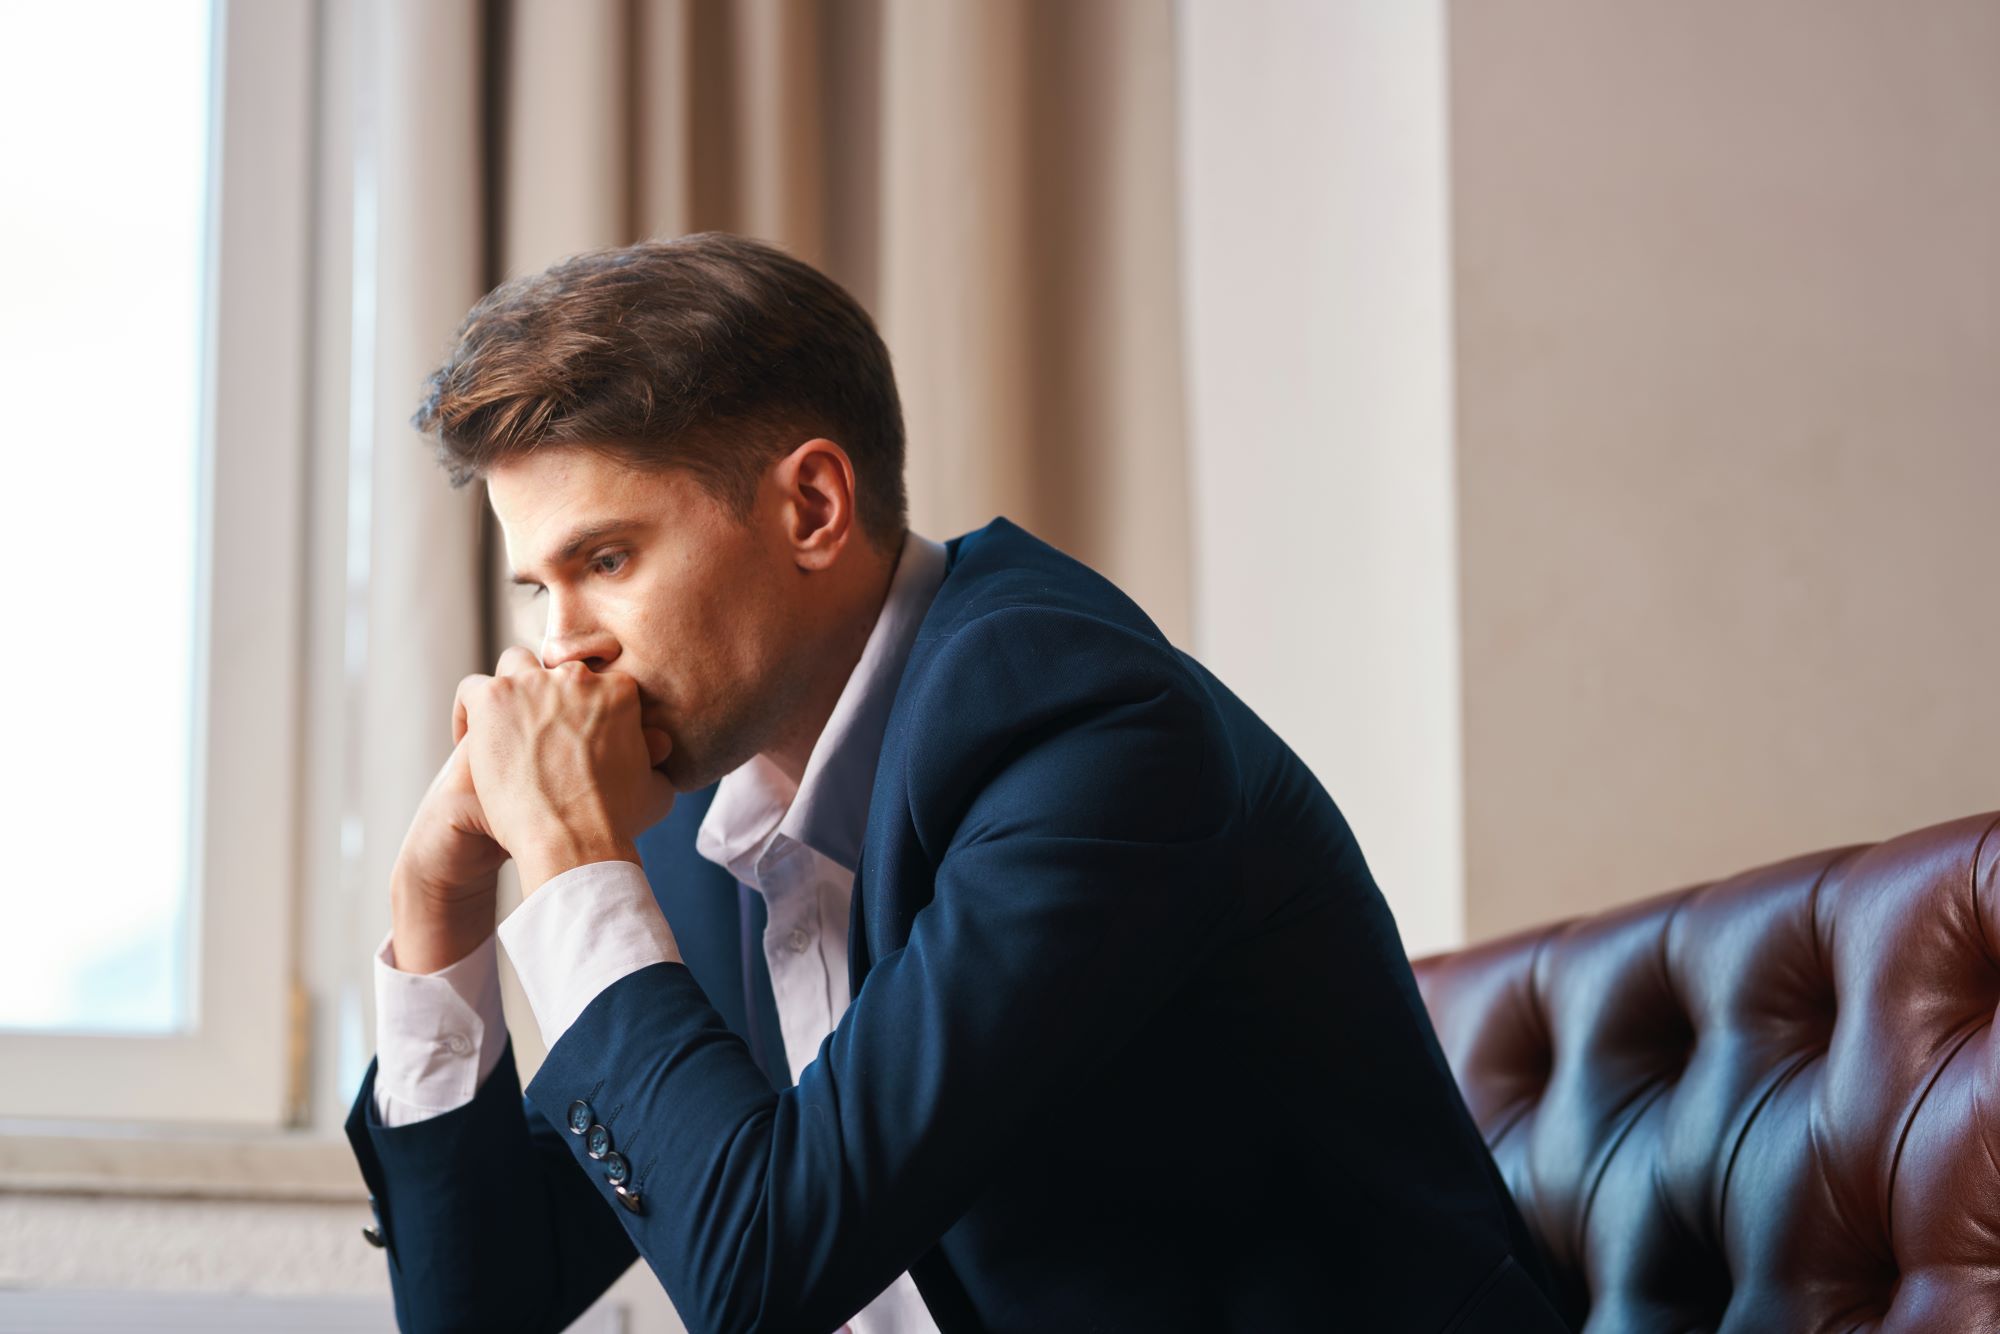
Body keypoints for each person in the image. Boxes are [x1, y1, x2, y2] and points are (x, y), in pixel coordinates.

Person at [343, 232, 1570, 1334]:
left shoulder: (1083, 729)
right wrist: (436, 899)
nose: (560, 648)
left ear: (812, 506)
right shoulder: (689, 822)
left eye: (604, 559)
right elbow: (480, 1311)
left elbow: (760, 1269)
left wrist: (566, 858)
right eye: (536, 590)